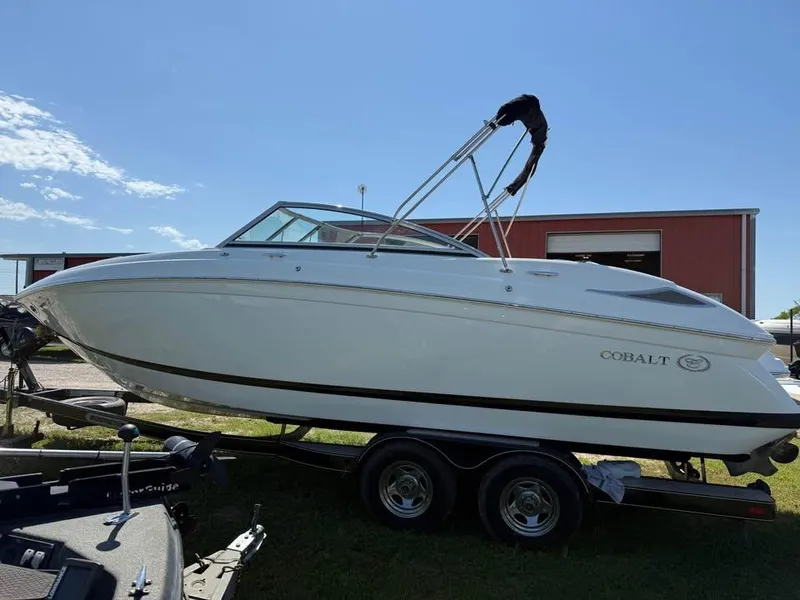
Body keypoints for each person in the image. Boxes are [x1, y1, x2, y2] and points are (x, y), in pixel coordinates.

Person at [493, 94, 548, 196]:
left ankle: (501, 118)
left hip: (526, 104)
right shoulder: (540, 130)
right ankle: (513, 187)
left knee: (509, 113)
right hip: (529, 107)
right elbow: (530, 166)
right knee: (535, 154)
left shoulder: (537, 125)